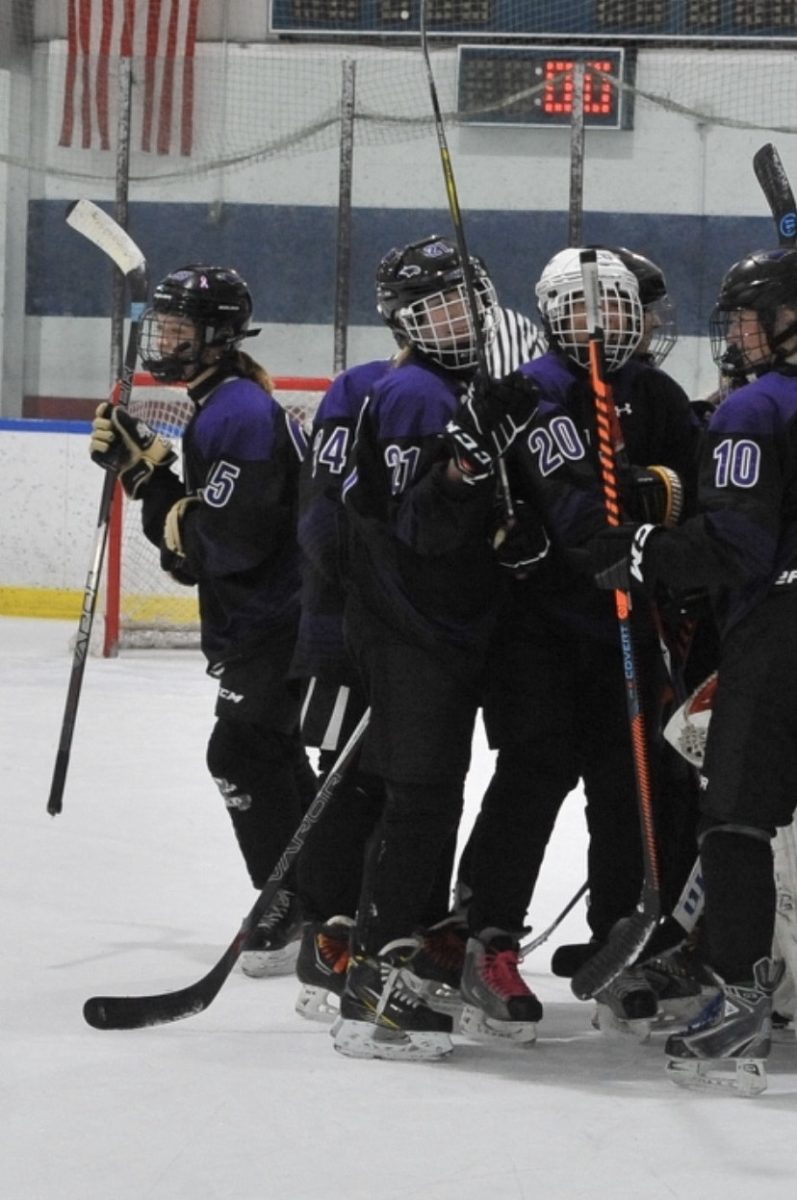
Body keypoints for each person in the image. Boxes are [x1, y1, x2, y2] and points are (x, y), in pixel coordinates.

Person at [459, 246, 703, 1037]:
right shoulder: (530, 394)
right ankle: (488, 937)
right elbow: (568, 521)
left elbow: (693, 491)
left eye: (613, 307)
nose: (596, 323)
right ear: (549, 314)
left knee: (627, 789)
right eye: (577, 308)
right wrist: (595, 526)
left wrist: (652, 498)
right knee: (531, 777)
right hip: (540, 632)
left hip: (630, 629)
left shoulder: (656, 394)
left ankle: (617, 942)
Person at [291, 274, 544, 1024]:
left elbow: (462, 527)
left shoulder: (463, 391)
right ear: (401, 318)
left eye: (466, 301)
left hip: (441, 631)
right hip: (410, 630)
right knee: (414, 799)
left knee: (425, 797)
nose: (457, 317)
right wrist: (464, 468)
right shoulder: (415, 395)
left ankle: (387, 954)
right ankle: (371, 968)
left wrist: (509, 532)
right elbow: (414, 529)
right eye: (437, 305)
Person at [579, 247, 797, 1092]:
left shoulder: (756, 409)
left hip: (778, 634)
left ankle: (740, 1006)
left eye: (751, 317)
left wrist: (639, 548)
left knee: (735, 821)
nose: (736, 333)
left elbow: (735, 544)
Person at [89, 264, 316, 978]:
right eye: (162, 326)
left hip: (278, 618)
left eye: (181, 328)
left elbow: (228, 542)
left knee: (241, 754)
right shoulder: (220, 406)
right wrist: (152, 472)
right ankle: (319, 891)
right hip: (274, 613)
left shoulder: (237, 412)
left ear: (218, 336)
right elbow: (209, 544)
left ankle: (289, 899)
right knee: (273, 754)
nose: (166, 339)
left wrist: (147, 478)